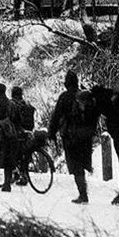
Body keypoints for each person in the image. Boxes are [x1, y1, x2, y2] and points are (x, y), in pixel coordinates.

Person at [48, 70, 96, 204]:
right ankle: (83, 192)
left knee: (76, 166)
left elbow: (56, 116)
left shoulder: (65, 97)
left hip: (71, 136)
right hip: (85, 136)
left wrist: (51, 132)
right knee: (82, 163)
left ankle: (83, 194)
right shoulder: (84, 96)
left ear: (66, 83)